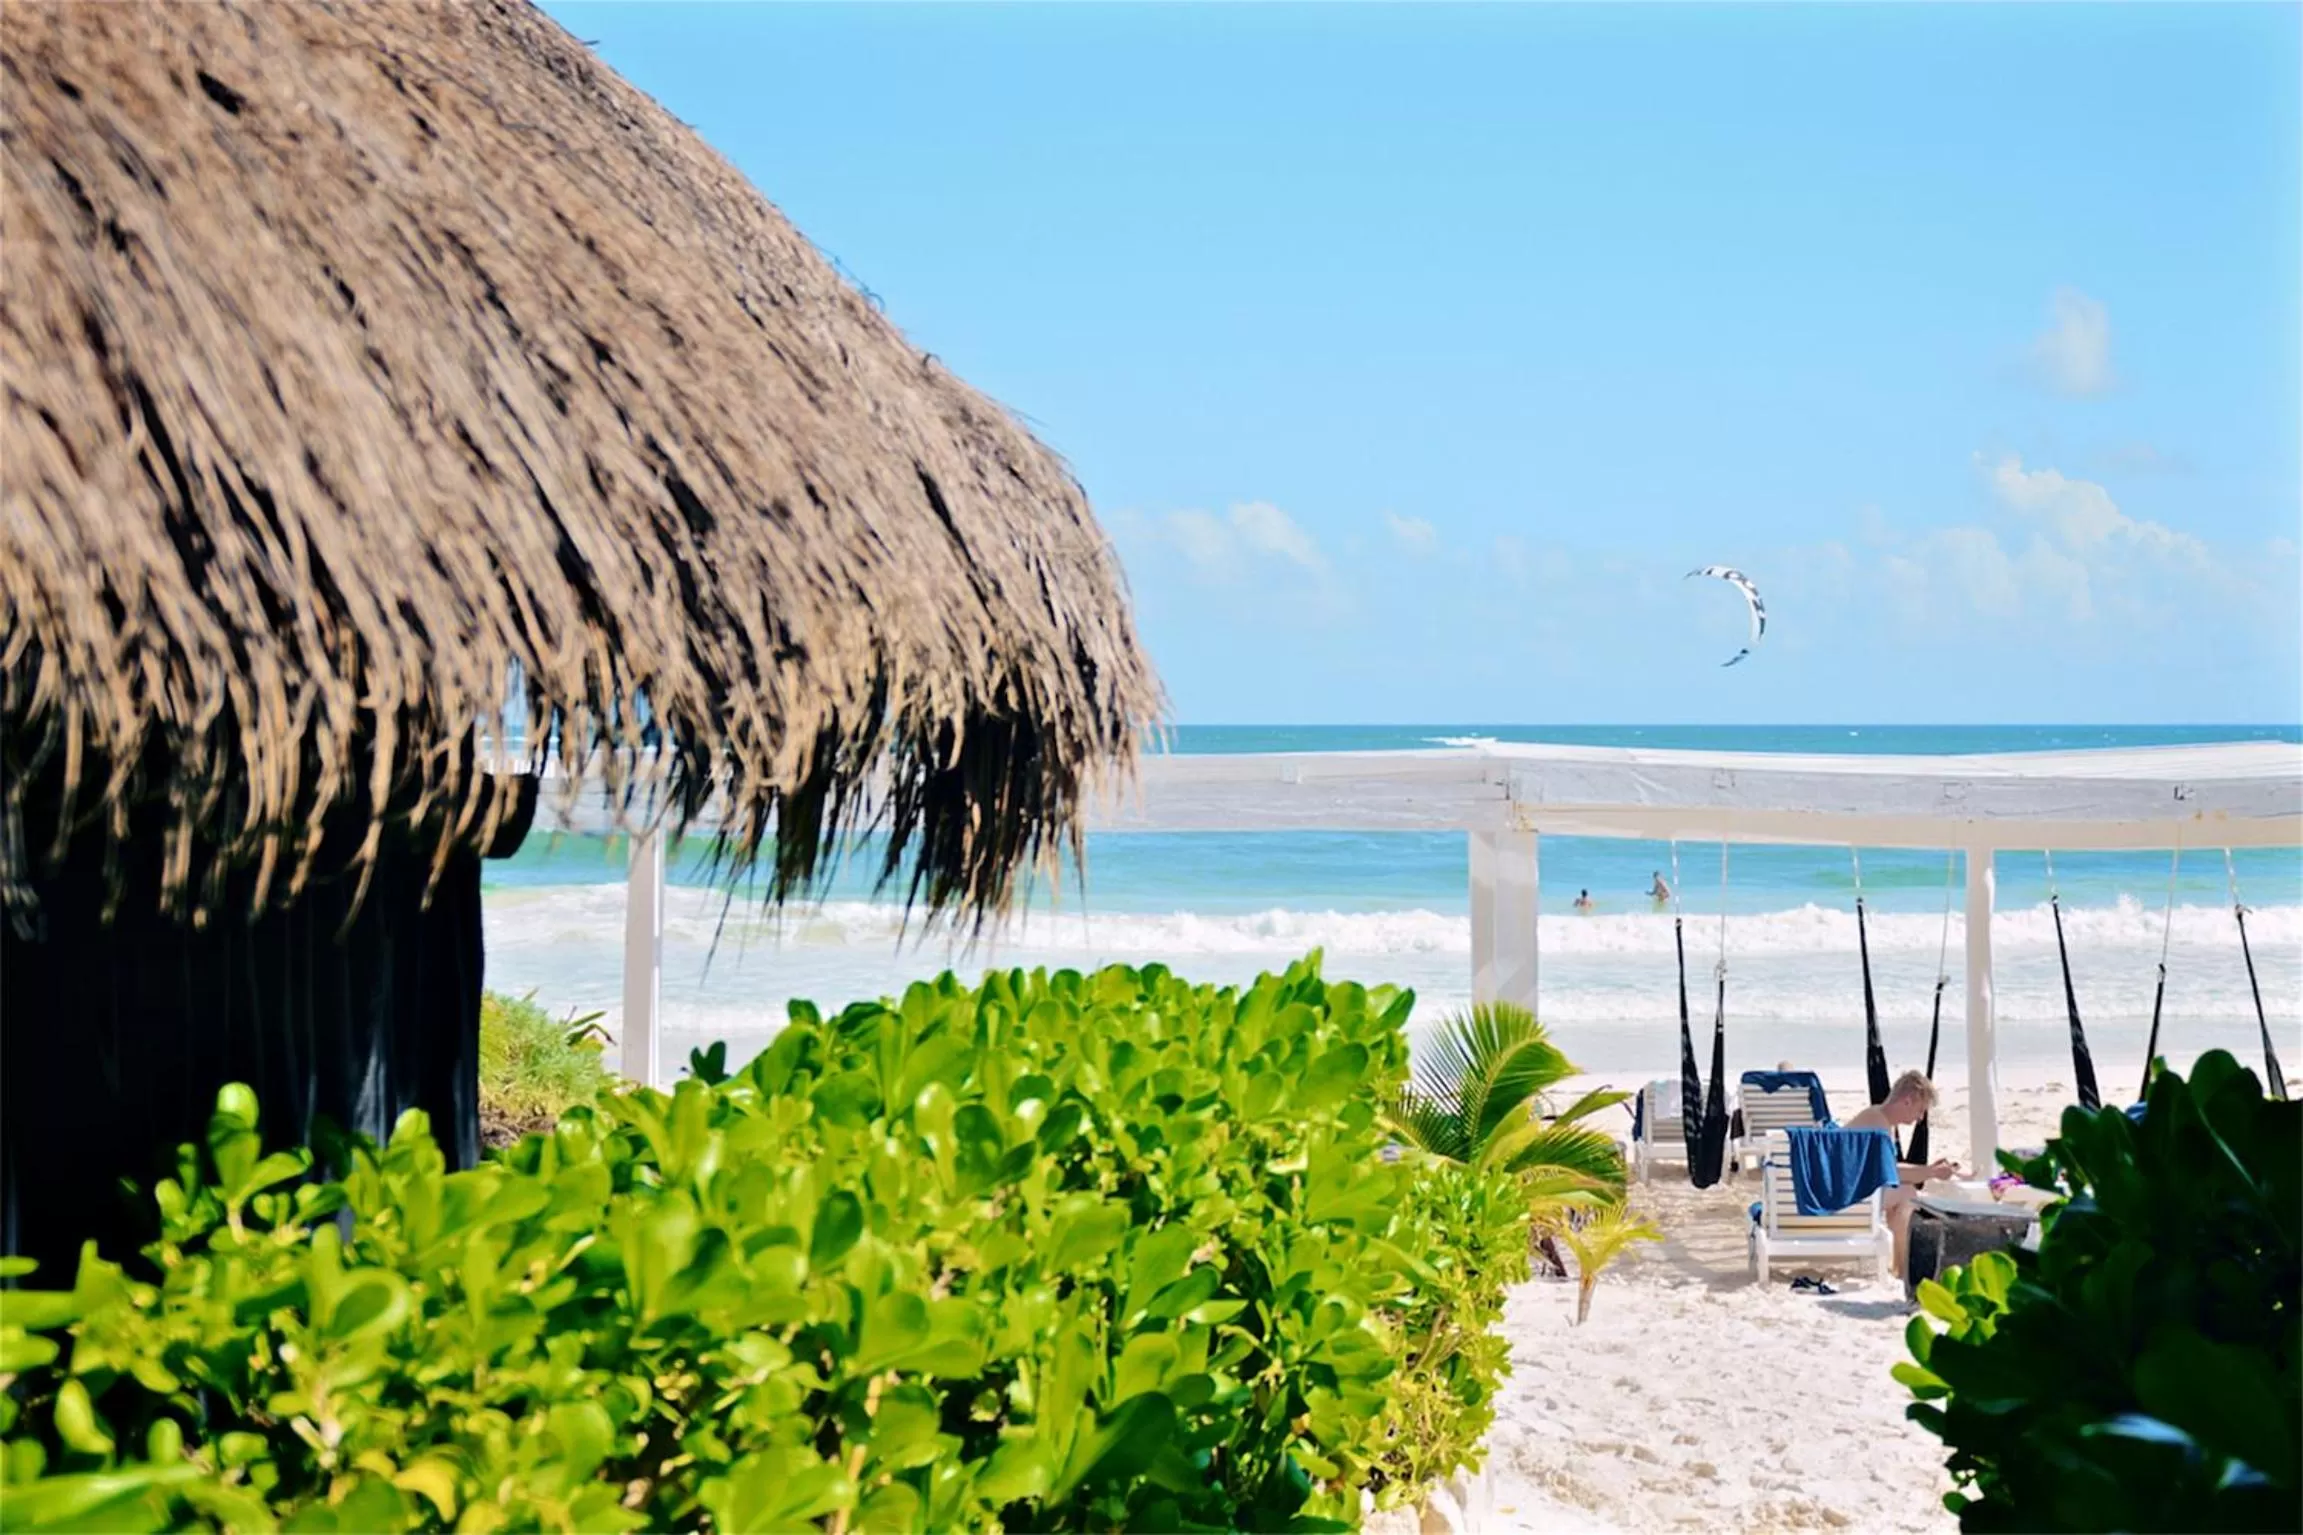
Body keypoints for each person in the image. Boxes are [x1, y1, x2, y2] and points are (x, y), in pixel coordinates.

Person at [1846, 1069, 1956, 1276]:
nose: (1920, 1117)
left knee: (1904, 1193)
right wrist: (1931, 1172)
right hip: (1847, 1200)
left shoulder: (1877, 1117)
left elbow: (1886, 1170)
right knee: (1908, 1194)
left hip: (1848, 1192)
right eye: (1920, 1110)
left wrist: (1930, 1170)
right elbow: (1890, 1172)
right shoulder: (1877, 1122)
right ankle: (1904, 1268)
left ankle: (1901, 1266)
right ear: (1907, 1101)